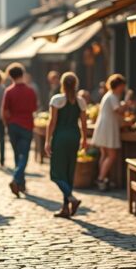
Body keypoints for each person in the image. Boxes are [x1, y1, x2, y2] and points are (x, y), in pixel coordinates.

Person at [45, 72, 88, 218]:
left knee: (56, 173)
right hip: (74, 137)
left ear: (62, 84)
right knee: (69, 172)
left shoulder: (57, 100)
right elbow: (83, 123)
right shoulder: (80, 101)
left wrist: (47, 141)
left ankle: (71, 198)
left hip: (60, 138)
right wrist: (84, 139)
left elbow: (52, 122)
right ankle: (65, 208)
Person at [2, 63, 38, 197]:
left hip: (13, 125)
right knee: (25, 155)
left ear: (10, 76)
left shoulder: (9, 91)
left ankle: (19, 182)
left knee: (17, 154)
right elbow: (34, 108)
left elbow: (5, 111)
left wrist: (7, 125)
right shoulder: (30, 91)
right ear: (22, 74)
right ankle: (17, 179)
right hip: (27, 125)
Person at [91, 74, 127, 191]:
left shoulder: (109, 95)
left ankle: (101, 178)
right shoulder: (112, 96)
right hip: (108, 128)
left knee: (104, 154)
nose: (123, 88)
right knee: (111, 155)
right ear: (119, 85)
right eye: (122, 86)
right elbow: (118, 111)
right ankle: (101, 178)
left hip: (104, 127)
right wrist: (126, 105)